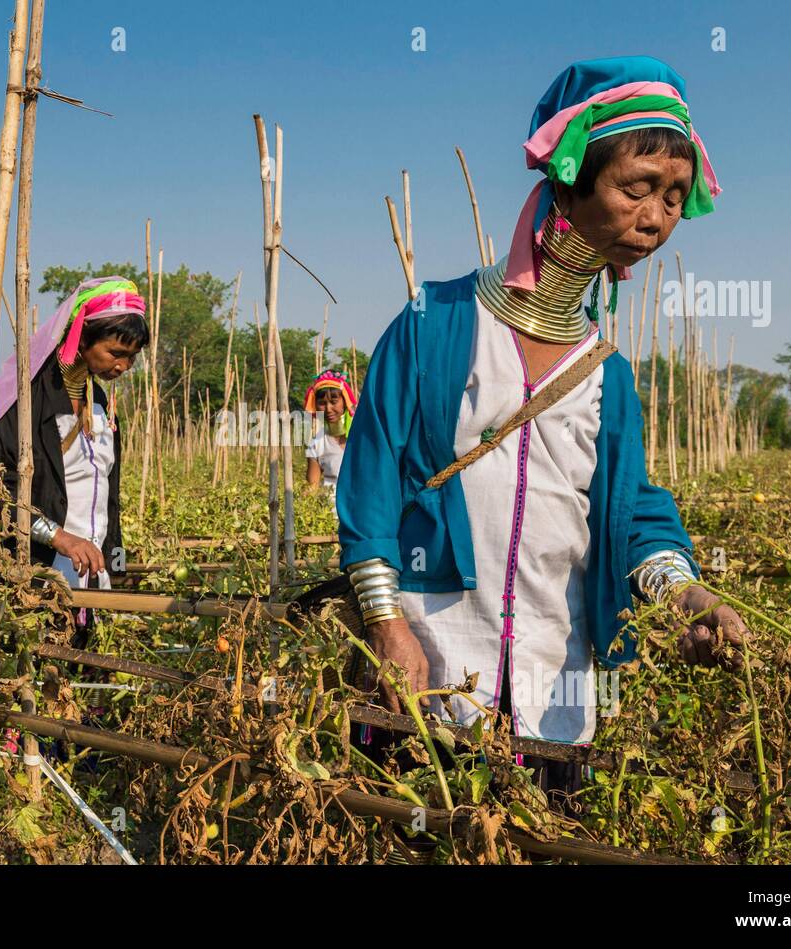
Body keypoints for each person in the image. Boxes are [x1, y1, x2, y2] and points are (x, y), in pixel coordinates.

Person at [336, 57, 752, 796]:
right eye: (637, 187)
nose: (656, 216)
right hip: (429, 673)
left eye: (675, 197)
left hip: (553, 692)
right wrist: (385, 626)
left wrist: (686, 594)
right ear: (569, 178)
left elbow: (632, 510)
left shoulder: (606, 373)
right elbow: (367, 488)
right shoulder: (434, 326)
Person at [0, 277, 148, 609]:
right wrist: (59, 537)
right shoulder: (24, 401)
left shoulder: (100, 404)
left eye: (132, 357)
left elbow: (109, 495)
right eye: (116, 353)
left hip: (93, 576)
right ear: (83, 336)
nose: (124, 366)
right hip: (35, 577)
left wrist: (116, 566)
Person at [303, 369, 357, 492]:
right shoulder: (316, 445)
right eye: (322, 403)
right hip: (331, 509)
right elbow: (312, 487)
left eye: (334, 402)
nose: (328, 409)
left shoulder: (363, 437)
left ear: (345, 401)